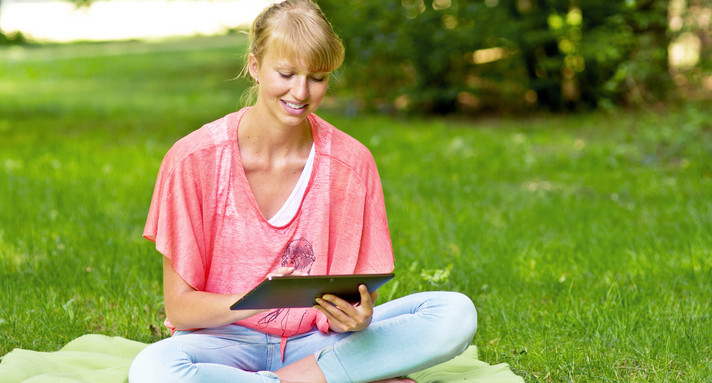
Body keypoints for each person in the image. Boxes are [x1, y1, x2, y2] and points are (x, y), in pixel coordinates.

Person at [128, 1, 477, 382]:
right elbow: (179, 309)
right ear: (255, 66)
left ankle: (304, 376)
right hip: (222, 342)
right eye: (287, 73)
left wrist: (358, 317)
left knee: (455, 313)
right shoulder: (192, 160)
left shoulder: (352, 163)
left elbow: (360, 293)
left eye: (318, 77)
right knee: (154, 369)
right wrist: (259, 300)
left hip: (316, 342)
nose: (301, 91)